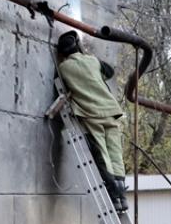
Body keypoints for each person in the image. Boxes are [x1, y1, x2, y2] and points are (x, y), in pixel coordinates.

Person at [55, 30, 128, 212]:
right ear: (78, 46)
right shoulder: (93, 61)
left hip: (92, 113)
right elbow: (109, 71)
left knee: (102, 155)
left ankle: (114, 197)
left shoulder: (63, 68)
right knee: (115, 153)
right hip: (111, 111)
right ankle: (122, 196)